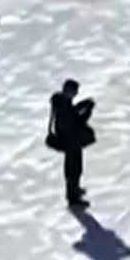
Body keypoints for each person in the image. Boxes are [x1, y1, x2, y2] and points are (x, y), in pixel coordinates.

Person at [47, 79, 95, 209]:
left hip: (70, 141)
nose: (75, 94)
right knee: (74, 170)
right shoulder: (63, 106)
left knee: (74, 168)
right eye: (74, 92)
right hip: (71, 142)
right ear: (68, 91)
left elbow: (72, 115)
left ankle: (75, 191)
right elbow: (75, 122)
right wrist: (87, 111)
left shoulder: (62, 104)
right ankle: (73, 198)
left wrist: (82, 107)